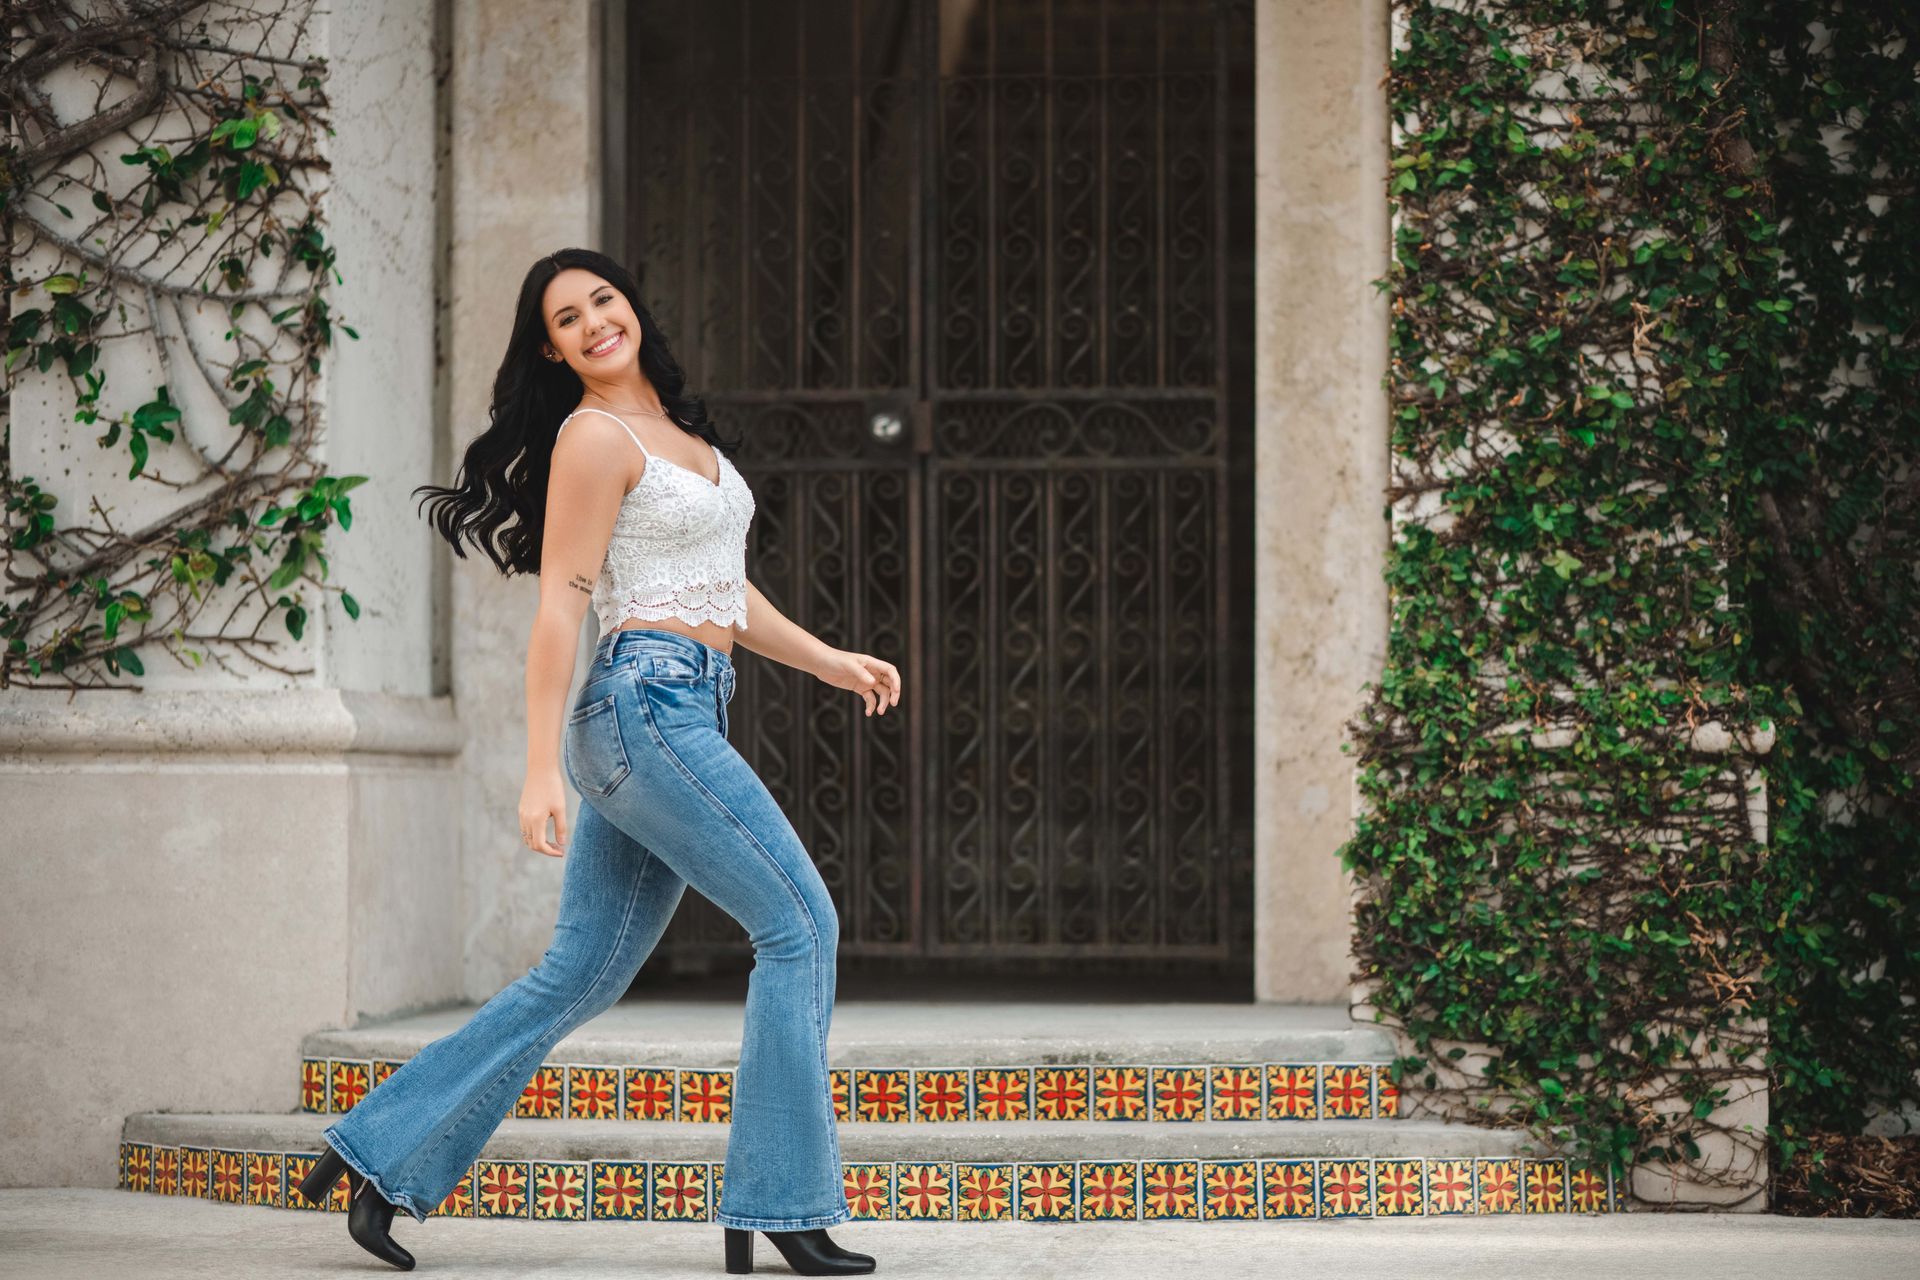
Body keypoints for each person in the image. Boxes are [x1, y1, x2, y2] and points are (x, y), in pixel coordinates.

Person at [291, 247, 898, 1276]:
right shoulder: (591, 436)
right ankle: (782, 1202)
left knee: (578, 972)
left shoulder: (683, 434)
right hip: (644, 709)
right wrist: (538, 768)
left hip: (678, 704)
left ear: (631, 307)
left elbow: (722, 589)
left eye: (602, 301)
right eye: (566, 319)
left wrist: (828, 659)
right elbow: (559, 609)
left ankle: (378, 1155)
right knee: (799, 926)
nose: (593, 324)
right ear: (553, 350)